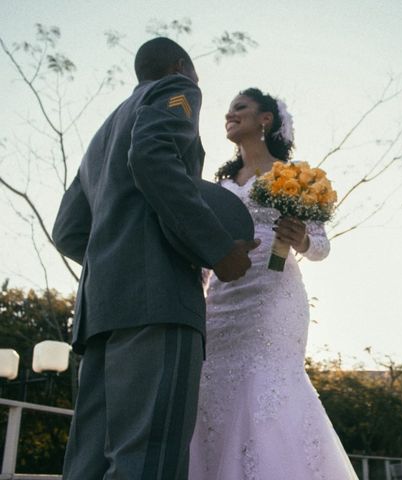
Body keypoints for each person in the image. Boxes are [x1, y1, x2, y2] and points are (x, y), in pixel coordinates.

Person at [52, 38, 258, 480]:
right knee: (150, 459)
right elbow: (151, 155)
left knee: (89, 463)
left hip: (101, 313)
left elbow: (67, 230)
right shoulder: (175, 92)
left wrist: (118, 257)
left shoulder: (103, 134)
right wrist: (217, 250)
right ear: (182, 68)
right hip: (158, 304)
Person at [189, 88, 359, 479]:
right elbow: (203, 247)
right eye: (229, 109)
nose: (229, 114)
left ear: (265, 119)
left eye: (240, 108)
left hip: (273, 296)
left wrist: (299, 237)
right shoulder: (220, 183)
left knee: (265, 382)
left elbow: (320, 247)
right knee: (213, 390)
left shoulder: (294, 175)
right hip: (221, 300)